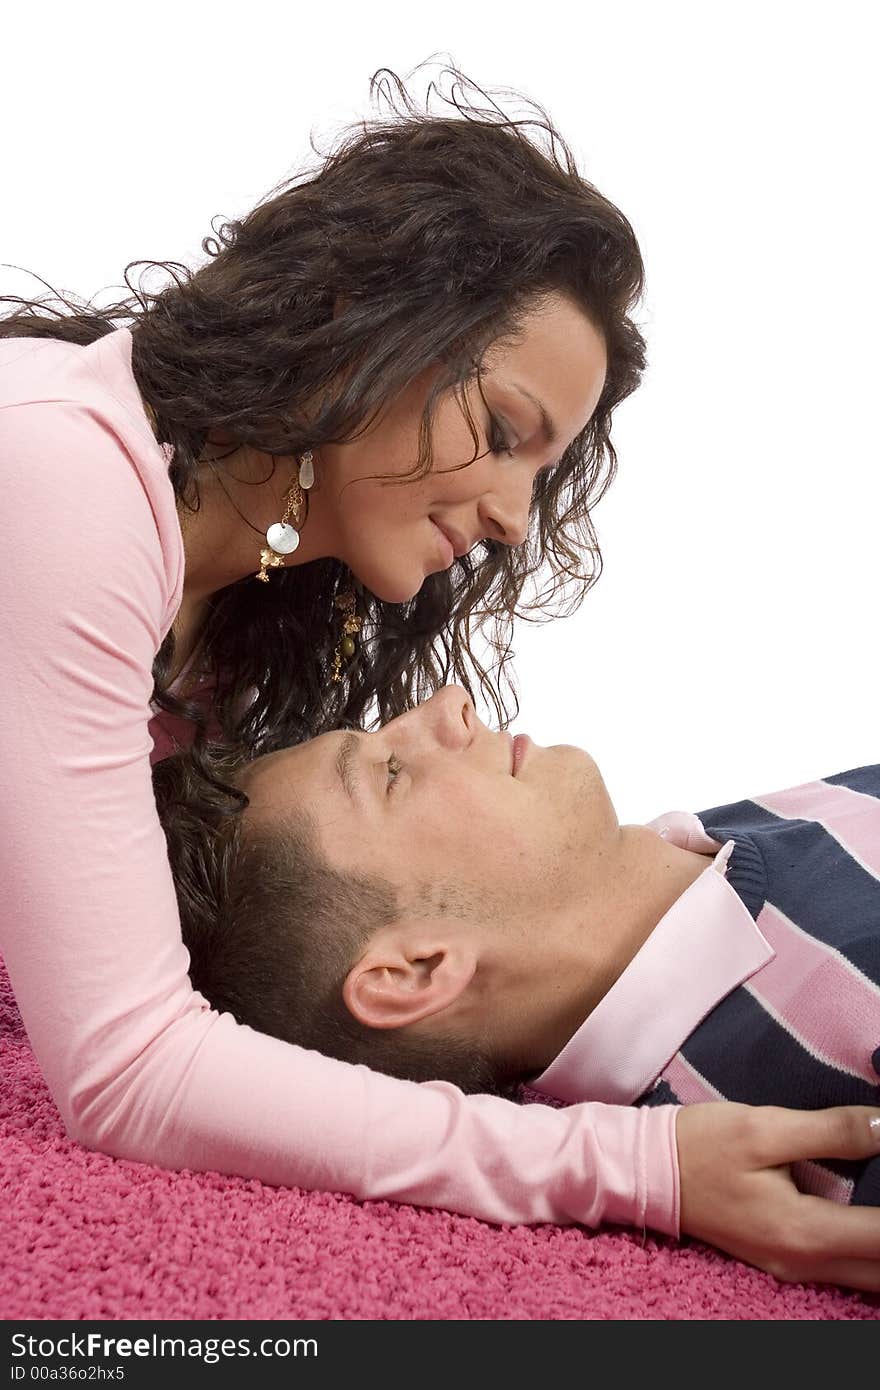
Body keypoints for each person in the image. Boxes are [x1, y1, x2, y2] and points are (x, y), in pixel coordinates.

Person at [2, 63, 878, 1294]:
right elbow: (127, 1068)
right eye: (506, 428)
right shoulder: (61, 480)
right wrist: (629, 1167)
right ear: (366, 325)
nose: (520, 516)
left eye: (548, 465)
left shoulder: (237, 605)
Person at [158, 687, 880, 1213]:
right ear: (415, 972)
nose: (450, 704)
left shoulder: (748, 835)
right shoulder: (817, 1092)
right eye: (391, 773)